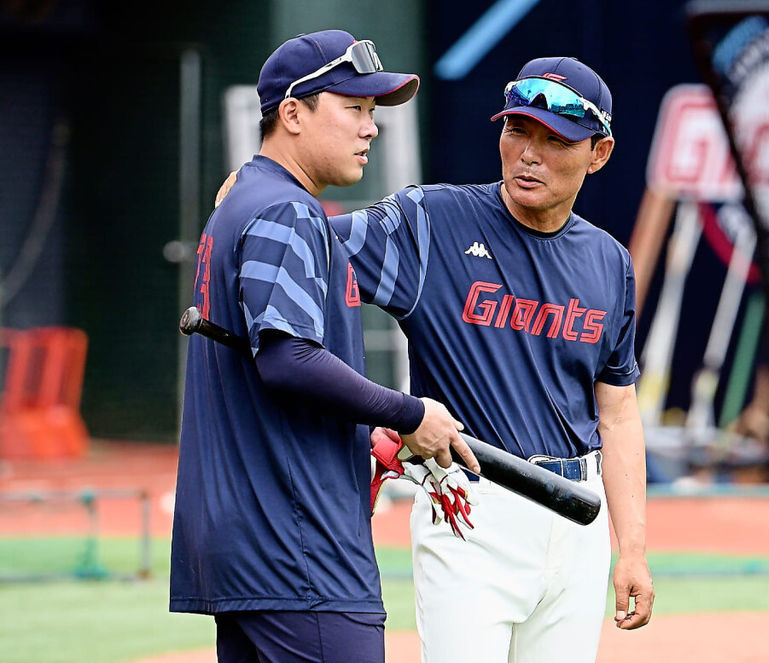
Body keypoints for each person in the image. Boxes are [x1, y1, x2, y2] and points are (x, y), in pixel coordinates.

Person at [170, 29, 478, 663]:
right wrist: (409, 413)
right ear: (293, 113)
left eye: (374, 113)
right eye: (354, 109)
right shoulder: (286, 211)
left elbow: (260, 367)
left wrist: (360, 430)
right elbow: (288, 361)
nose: (371, 129)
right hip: (299, 551)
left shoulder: (243, 203)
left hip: (256, 550)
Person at [338, 56, 654, 663]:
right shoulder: (432, 221)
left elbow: (617, 415)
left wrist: (632, 547)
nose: (529, 153)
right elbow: (311, 247)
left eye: (555, 139)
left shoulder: (610, 263)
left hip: (576, 517)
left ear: (599, 153)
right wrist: (263, 197)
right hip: (469, 506)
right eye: (517, 130)